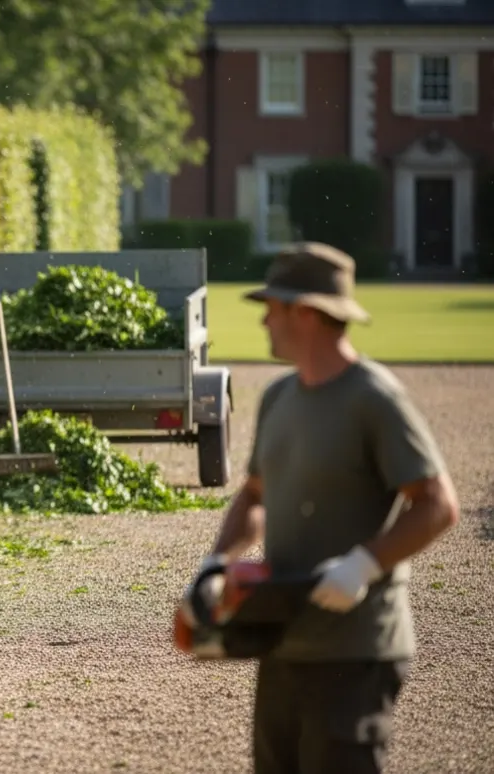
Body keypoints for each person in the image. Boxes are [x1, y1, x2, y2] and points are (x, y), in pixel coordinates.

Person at [185, 242, 461, 774]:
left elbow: (437, 505)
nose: (263, 318)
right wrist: (215, 562)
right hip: (283, 641)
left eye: (272, 306)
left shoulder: (374, 399)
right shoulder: (278, 397)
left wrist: (365, 564)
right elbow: (254, 496)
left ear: (305, 312)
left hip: (357, 648)